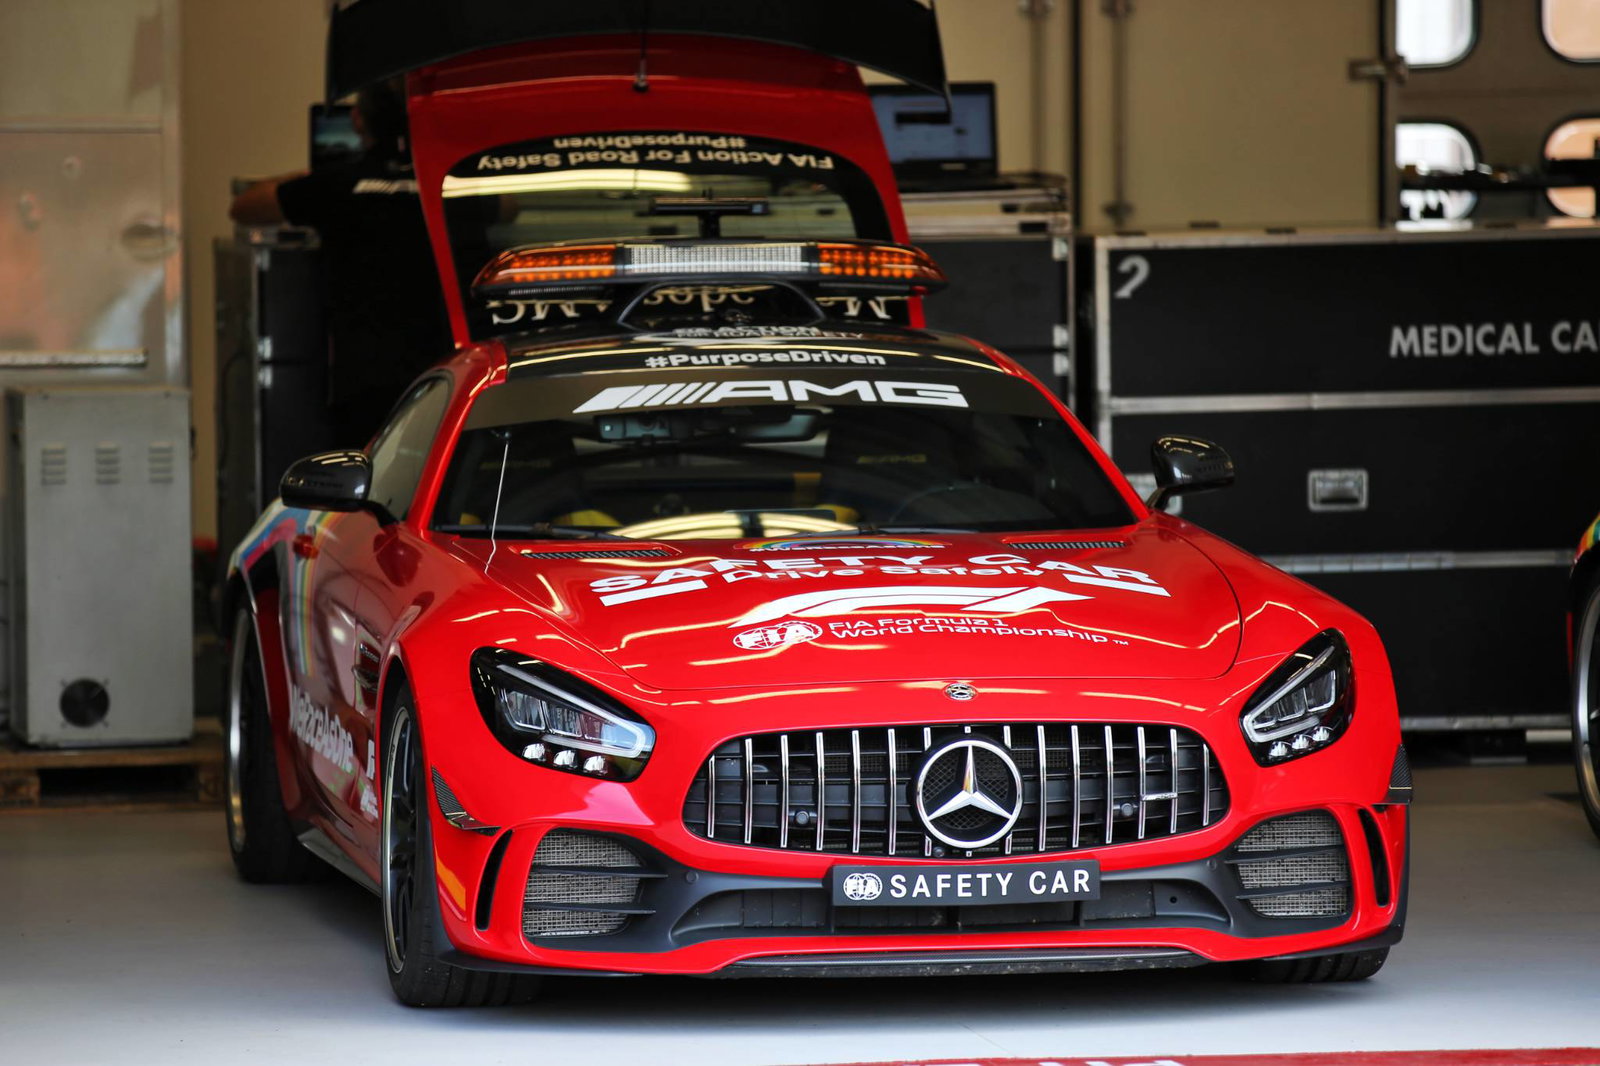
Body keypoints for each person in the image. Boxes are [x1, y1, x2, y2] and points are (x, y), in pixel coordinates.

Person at [230, 79, 452, 447]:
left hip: (363, 375)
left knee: (364, 476)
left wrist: (307, 178)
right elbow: (508, 207)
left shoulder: (336, 184)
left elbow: (243, 208)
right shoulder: (439, 181)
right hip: (440, 369)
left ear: (358, 121)